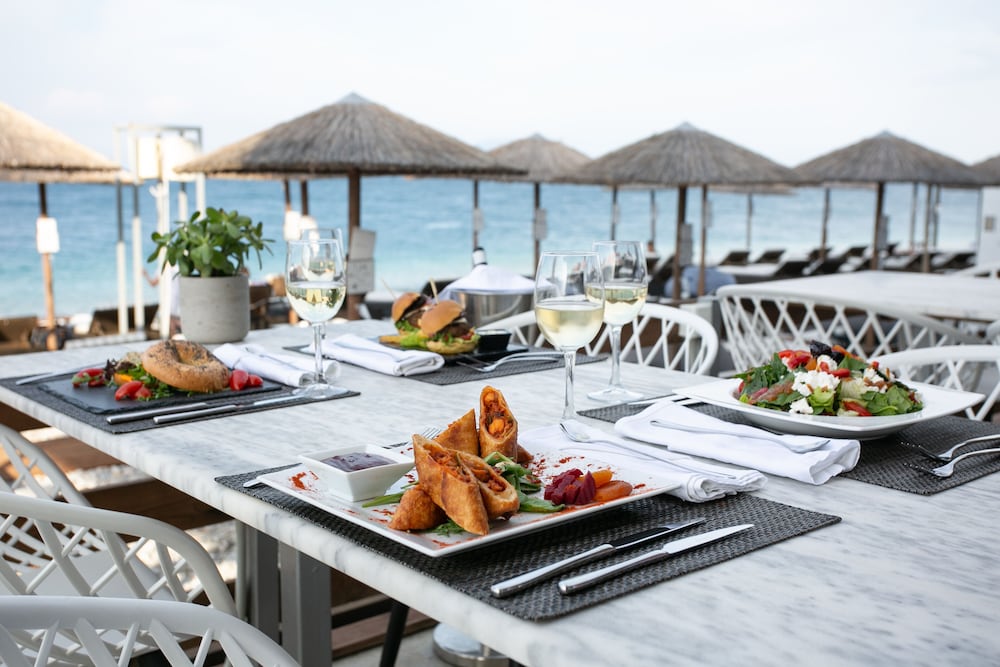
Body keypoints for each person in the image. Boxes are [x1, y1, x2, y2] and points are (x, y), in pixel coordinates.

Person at [144, 263, 181, 336]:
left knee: (169, 319)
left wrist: (146, 274)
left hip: (167, 297)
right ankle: (175, 336)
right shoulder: (177, 268)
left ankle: (173, 337)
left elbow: (153, 283)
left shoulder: (163, 269)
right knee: (172, 319)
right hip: (177, 297)